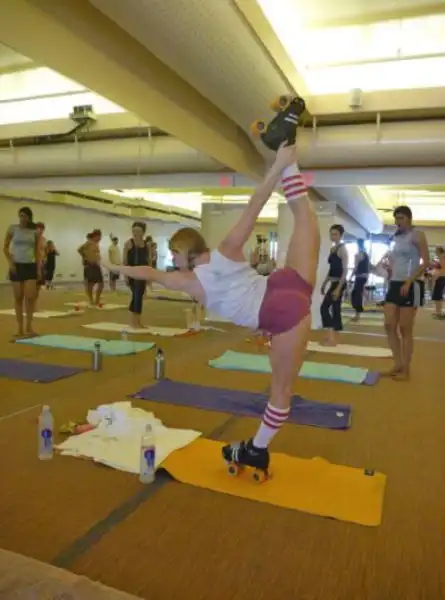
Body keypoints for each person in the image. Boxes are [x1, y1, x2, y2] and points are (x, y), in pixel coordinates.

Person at [103, 143, 320, 475]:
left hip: (282, 315)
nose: (172, 259)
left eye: (174, 253)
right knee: (305, 216)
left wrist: (115, 267)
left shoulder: (191, 282)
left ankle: (257, 449)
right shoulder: (227, 250)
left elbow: (149, 273)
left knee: (281, 391)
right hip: (287, 282)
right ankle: (289, 156)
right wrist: (277, 166)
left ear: (185, 251)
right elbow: (255, 204)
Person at [384, 206, 429, 381]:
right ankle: (397, 363)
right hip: (395, 284)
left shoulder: (418, 235)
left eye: (401, 218)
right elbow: (396, 261)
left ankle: (406, 370)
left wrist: (409, 281)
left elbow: (425, 263)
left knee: (405, 328)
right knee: (389, 325)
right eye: (396, 218)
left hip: (410, 284)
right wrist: (389, 270)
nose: (398, 221)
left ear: (409, 219)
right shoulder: (396, 237)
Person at [3, 207, 41, 338]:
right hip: (16, 266)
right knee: (18, 297)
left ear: (29, 217)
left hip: (30, 265)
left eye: (25, 216)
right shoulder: (12, 229)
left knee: (30, 297)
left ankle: (29, 326)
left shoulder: (35, 232)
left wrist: (39, 269)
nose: (22, 218)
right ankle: (19, 328)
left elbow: (37, 251)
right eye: (20, 216)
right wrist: (11, 262)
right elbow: (5, 247)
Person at [320, 224, 348, 345]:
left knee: (324, 308)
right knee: (335, 309)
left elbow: (345, 270)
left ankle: (331, 337)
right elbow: (332, 269)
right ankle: (334, 337)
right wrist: (325, 282)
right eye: (331, 234)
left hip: (339, 283)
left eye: (335, 234)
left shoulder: (342, 249)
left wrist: (338, 288)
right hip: (333, 281)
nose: (333, 236)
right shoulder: (333, 248)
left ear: (341, 235)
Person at [123, 222, 150, 328]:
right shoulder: (128, 243)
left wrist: (150, 275)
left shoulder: (146, 245)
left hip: (143, 273)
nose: (136, 233)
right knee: (137, 296)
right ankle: (135, 322)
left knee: (138, 296)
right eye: (134, 231)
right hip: (132, 273)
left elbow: (148, 261)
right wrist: (125, 276)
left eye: (138, 231)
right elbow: (125, 261)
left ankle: (135, 321)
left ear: (143, 232)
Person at [77, 229, 103, 306]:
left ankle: (97, 299)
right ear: (96, 236)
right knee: (90, 284)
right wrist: (85, 257)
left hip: (96, 265)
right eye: (99, 236)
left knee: (101, 284)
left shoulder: (96, 244)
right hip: (90, 265)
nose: (100, 238)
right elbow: (79, 250)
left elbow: (96, 254)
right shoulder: (89, 242)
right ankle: (91, 300)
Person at [350, 243, 370, 322]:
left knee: (356, 295)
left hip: (360, 277)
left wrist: (350, 277)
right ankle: (357, 314)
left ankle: (357, 315)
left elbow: (356, 267)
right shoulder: (365, 256)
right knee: (356, 294)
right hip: (362, 277)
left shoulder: (360, 255)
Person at [431, 246, 445, 318]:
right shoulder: (440, 258)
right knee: (437, 295)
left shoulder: (442, 257)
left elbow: (444, 269)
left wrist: (437, 276)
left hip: (441, 278)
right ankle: (438, 311)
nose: (435, 251)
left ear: (439, 251)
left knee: (438, 295)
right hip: (440, 278)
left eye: (436, 250)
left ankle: (439, 312)